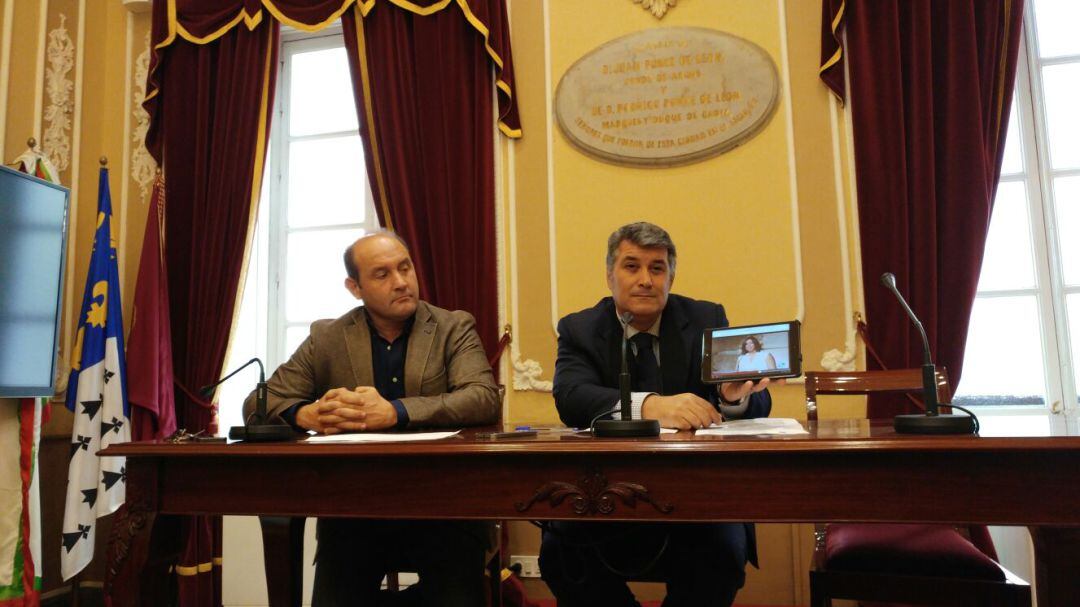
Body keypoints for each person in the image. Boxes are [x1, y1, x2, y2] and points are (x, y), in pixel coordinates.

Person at [243, 231, 500, 606]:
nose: (400, 282)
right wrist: (305, 413)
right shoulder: (327, 337)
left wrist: (395, 411)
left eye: (405, 268)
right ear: (355, 287)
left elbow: (482, 399)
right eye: (382, 274)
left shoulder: (452, 328)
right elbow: (257, 403)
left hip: (445, 505)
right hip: (355, 509)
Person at [539, 222, 774, 607]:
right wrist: (652, 406)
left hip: (697, 498)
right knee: (560, 552)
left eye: (657, 268)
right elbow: (572, 397)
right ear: (610, 275)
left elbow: (759, 405)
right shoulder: (581, 328)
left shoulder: (703, 319)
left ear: (671, 276)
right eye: (632, 267)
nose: (645, 280)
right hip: (607, 497)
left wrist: (733, 398)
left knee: (723, 551)